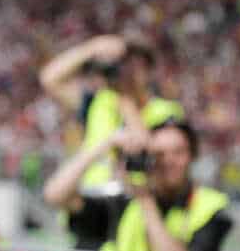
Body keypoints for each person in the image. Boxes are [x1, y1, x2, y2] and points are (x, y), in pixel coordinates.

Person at [43, 119, 233, 251]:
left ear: (193, 156)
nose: (168, 162)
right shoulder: (123, 202)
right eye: (158, 154)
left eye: (178, 152)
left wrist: (146, 201)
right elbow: (55, 195)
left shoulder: (209, 208)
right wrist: (105, 145)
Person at [39, 33, 184, 190]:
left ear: (148, 71)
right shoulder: (100, 100)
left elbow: (147, 148)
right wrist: (91, 48)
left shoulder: (166, 111)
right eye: (122, 64)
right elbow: (49, 79)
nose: (127, 73)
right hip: (91, 194)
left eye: (134, 66)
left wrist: (125, 101)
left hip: (137, 198)